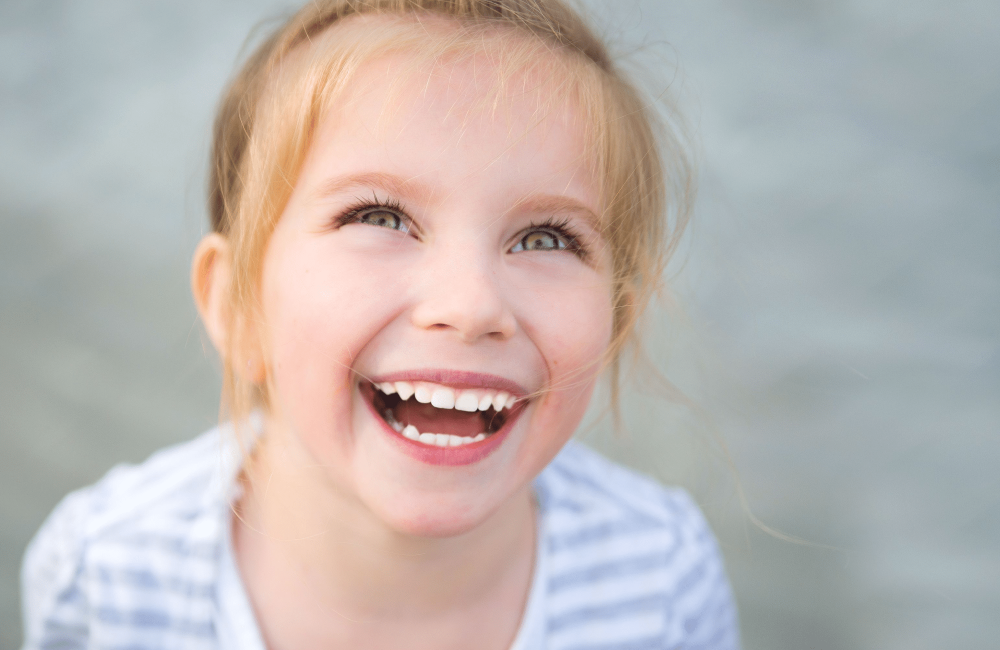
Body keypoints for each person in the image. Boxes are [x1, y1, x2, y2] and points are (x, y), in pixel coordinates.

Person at [20, 1, 740, 648]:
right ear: (238, 307)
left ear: (614, 320)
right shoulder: (108, 575)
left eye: (548, 237)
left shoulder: (661, 578)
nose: (471, 304)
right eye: (379, 218)